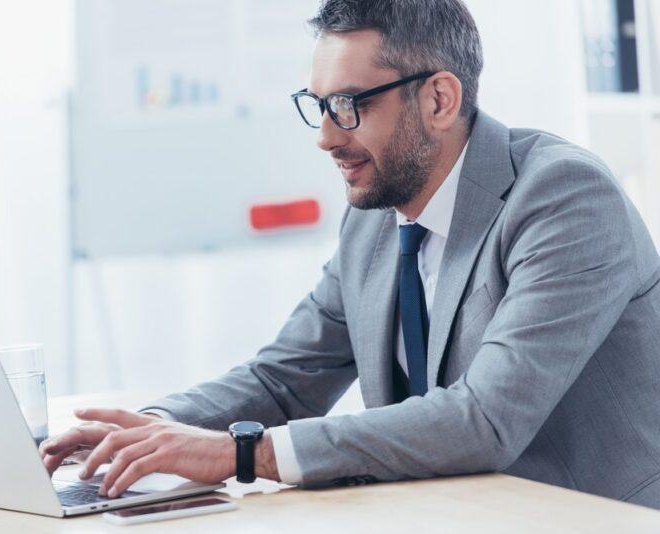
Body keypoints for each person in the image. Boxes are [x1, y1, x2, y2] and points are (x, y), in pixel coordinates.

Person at [40, 0, 660, 508]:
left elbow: (485, 419)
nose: (326, 137)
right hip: (440, 512)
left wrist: (240, 453)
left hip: (581, 517)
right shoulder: (373, 219)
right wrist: (148, 428)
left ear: (439, 100)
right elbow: (284, 380)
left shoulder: (565, 198)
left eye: (349, 106)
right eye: (318, 104)